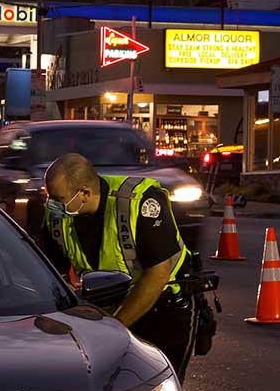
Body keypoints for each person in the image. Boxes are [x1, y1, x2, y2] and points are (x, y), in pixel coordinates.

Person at [39, 153, 197, 379]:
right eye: (49, 196)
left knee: (159, 383)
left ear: (84, 193)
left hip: (163, 307)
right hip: (107, 310)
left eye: (58, 198)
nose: (51, 204)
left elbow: (158, 273)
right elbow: (48, 270)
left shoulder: (138, 202)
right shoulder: (60, 215)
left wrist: (115, 327)